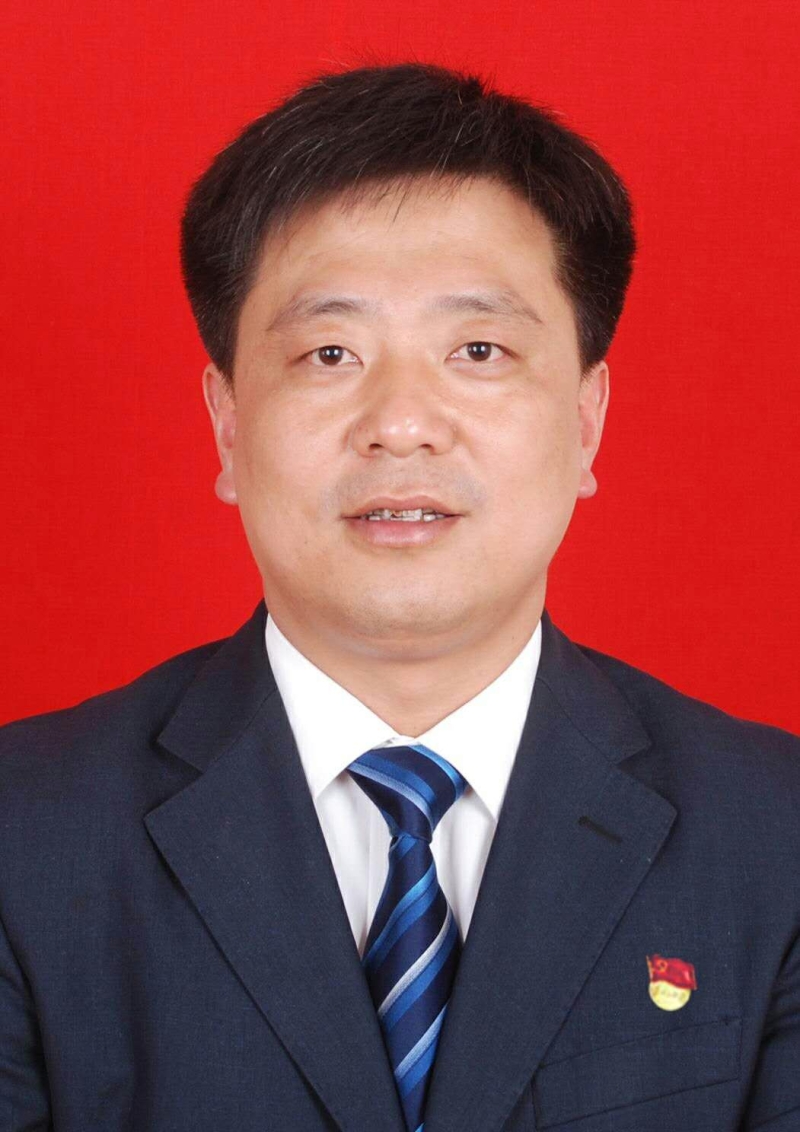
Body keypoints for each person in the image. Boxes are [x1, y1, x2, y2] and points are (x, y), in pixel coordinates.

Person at [0, 61, 798, 1132]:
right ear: (228, 425)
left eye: (478, 349)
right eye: (330, 352)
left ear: (586, 421)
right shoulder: (23, 835)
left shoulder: (774, 837)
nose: (402, 424)